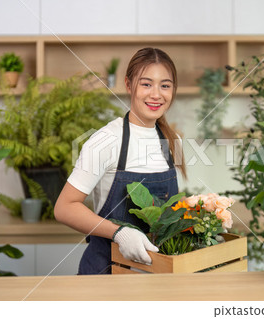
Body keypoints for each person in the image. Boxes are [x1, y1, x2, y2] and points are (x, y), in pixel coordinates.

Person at [54, 47, 186, 275]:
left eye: (165, 85)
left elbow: (169, 210)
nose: (156, 94)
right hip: (106, 276)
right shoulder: (106, 140)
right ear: (128, 84)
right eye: (146, 84)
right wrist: (120, 233)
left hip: (157, 279)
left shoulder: (173, 141)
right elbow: (64, 208)